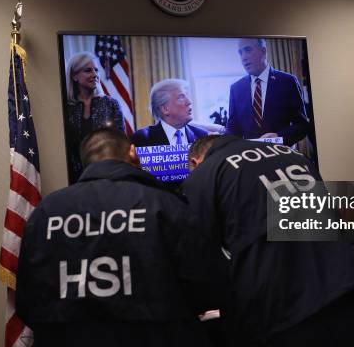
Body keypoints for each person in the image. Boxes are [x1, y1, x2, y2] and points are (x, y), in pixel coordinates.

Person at [16, 128, 215, 347]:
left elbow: (28, 298)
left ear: (86, 162)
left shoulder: (46, 212)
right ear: (132, 152)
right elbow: (202, 288)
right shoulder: (164, 204)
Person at [183, 135, 354, 347]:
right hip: (342, 289)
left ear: (195, 162)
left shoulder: (204, 175)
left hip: (282, 311)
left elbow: (199, 251)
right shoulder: (293, 155)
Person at [225, 38, 311, 147]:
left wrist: (278, 137)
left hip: (281, 154)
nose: (244, 57)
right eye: (240, 53)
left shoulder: (287, 81)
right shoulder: (236, 88)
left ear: (263, 51)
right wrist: (220, 143)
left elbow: (302, 125)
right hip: (250, 157)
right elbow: (233, 128)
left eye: (248, 50)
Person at [65, 52, 124, 182]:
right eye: (88, 70)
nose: (95, 75)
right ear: (74, 76)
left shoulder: (111, 104)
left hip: (110, 177)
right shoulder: (66, 108)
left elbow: (121, 143)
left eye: (96, 70)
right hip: (75, 180)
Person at [131, 79, 208, 147]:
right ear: (165, 109)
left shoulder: (202, 136)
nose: (189, 102)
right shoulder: (143, 138)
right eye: (181, 97)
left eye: (187, 96)